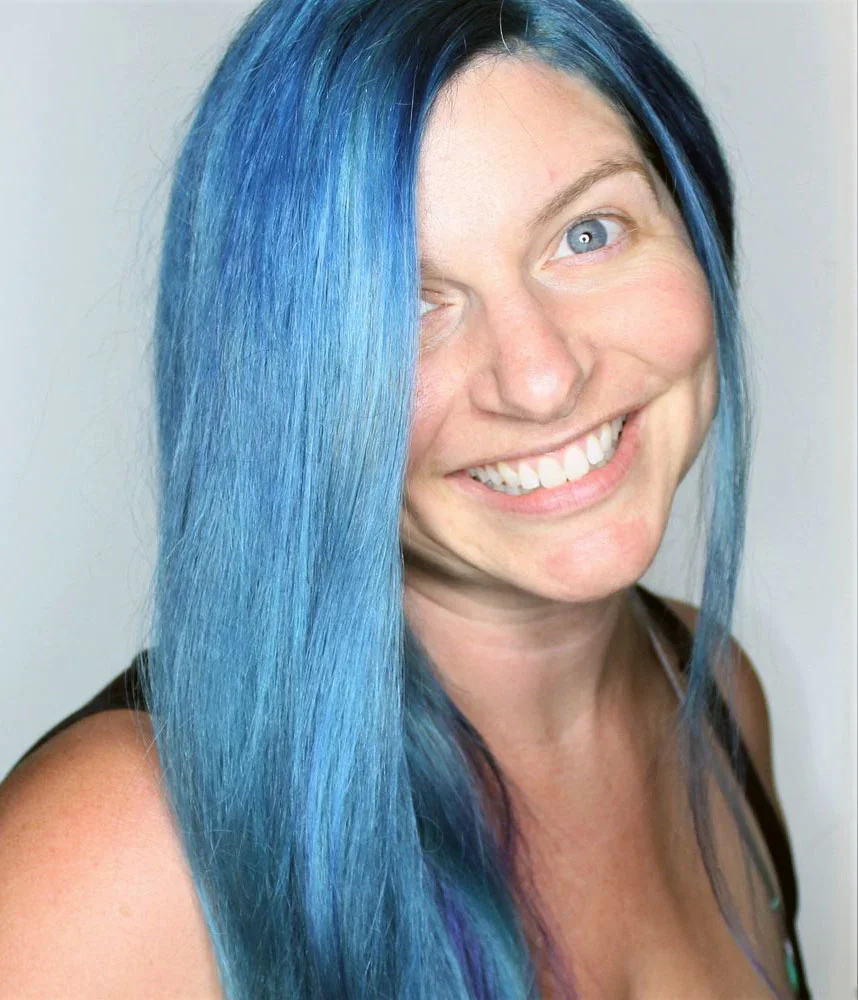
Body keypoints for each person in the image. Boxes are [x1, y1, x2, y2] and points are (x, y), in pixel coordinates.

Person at [0, 1, 812, 998]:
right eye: (403, 302)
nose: (541, 378)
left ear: (697, 226)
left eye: (588, 233)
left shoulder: (716, 693)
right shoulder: (117, 860)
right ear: (279, 386)